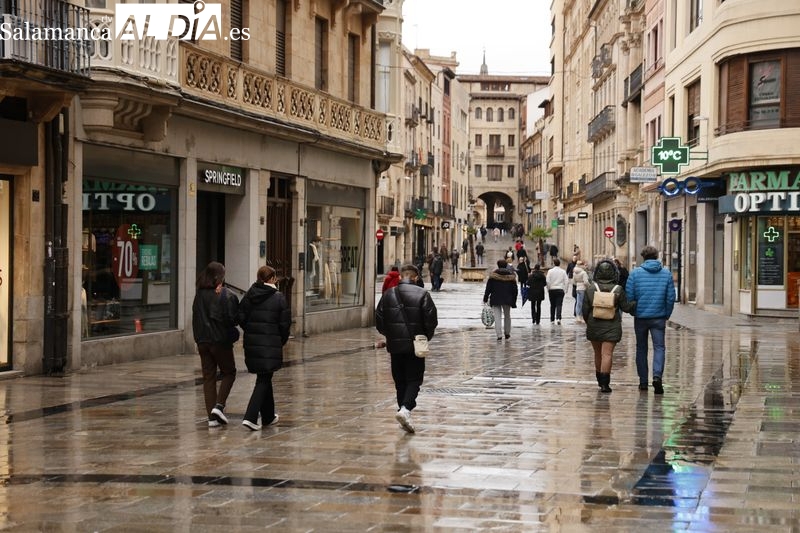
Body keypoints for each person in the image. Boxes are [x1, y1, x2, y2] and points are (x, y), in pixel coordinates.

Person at [375, 265, 438, 433]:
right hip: (415, 345)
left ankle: (403, 411)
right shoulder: (423, 294)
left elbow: (379, 320)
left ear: (401, 277)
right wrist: (425, 337)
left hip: (395, 346)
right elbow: (431, 321)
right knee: (414, 379)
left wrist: (391, 335)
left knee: (400, 380)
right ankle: (405, 409)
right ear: (416, 278)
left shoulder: (388, 294)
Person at [236, 265, 291, 430]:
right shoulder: (279, 298)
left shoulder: (249, 295)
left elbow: (241, 317)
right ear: (273, 279)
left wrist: (252, 331)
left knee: (265, 376)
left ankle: (268, 416)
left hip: (253, 344)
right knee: (263, 379)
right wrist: (279, 340)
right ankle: (251, 417)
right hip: (270, 344)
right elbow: (284, 325)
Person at [192, 261, 239, 428]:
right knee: (229, 372)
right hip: (219, 340)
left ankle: (211, 417)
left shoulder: (199, 294)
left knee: (209, 377)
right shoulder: (224, 294)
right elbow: (232, 318)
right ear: (219, 276)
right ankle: (218, 406)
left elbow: (195, 317)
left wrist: (198, 339)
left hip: (203, 341)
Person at [625, 245, 676, 394]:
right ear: (656, 256)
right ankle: (657, 376)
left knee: (641, 348)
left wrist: (634, 311)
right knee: (659, 347)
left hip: (641, 317)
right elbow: (671, 297)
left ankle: (643, 382)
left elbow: (629, 296)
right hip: (659, 317)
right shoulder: (666, 274)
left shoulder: (635, 274)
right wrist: (666, 313)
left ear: (643, 257)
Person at [582, 259, 636, 393]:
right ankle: (605, 384)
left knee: (597, 354)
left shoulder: (591, 289)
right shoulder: (618, 289)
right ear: (614, 273)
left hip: (594, 325)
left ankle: (599, 380)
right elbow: (626, 307)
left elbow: (584, 310)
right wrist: (635, 303)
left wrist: (589, 322)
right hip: (612, 326)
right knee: (607, 354)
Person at [483, 259, 518, 340]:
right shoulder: (511, 276)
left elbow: (488, 288)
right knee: (507, 316)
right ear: (506, 265)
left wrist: (485, 298)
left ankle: (499, 335)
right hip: (507, 298)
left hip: (496, 298)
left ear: (498, 265)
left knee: (497, 317)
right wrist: (514, 300)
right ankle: (507, 333)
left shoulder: (493, 276)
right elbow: (515, 290)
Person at [545, 258, 569, 325]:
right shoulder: (563, 271)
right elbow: (566, 281)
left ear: (554, 263)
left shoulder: (550, 271)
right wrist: (565, 290)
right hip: (560, 289)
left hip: (552, 289)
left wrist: (548, 288)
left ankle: (552, 319)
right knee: (559, 304)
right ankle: (558, 318)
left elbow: (547, 281)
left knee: (552, 305)